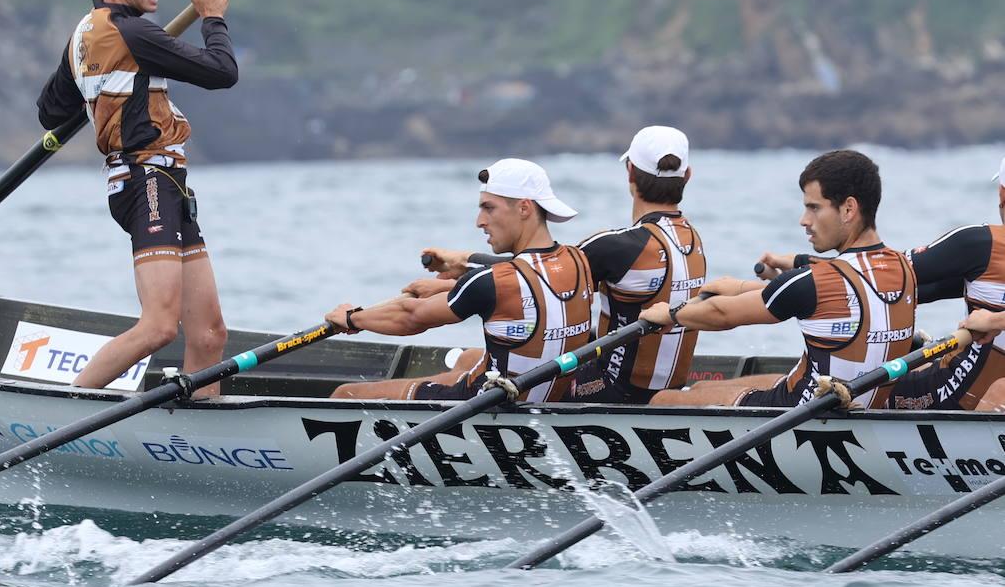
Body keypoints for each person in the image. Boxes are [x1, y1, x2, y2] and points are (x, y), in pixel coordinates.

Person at [36, 0, 238, 396]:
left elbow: (51, 112)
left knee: (210, 335)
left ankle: (198, 445)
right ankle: (66, 407)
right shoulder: (132, 31)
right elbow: (222, 71)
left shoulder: (85, 35)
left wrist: (110, 83)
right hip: (145, 179)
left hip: (168, 182)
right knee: (159, 327)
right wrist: (213, 18)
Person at [639, 149, 916, 408]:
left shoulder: (813, 282)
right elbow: (842, 288)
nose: (804, 220)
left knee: (664, 400)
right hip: (851, 399)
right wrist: (740, 287)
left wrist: (669, 314)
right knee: (699, 387)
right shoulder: (903, 266)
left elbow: (721, 314)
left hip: (805, 408)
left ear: (848, 209)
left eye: (814, 208)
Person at [325, 158, 593, 402]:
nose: (480, 221)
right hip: (551, 394)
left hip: (491, 404)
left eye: (489, 208)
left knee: (344, 393)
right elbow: (527, 282)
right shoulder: (579, 259)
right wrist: (453, 280)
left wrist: (352, 318)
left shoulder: (490, 282)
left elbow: (411, 317)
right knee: (466, 359)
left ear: (524, 208)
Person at [568, 125, 707, 403]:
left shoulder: (617, 246)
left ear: (630, 172)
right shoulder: (693, 239)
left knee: (475, 360)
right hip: (668, 389)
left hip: (611, 391)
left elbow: (537, 282)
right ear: (687, 176)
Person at [879, 155, 1005, 411]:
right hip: (973, 384)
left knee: (862, 387)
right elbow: (920, 289)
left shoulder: (980, 244)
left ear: (1002, 195)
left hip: (963, 394)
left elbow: (878, 276)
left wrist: (804, 269)